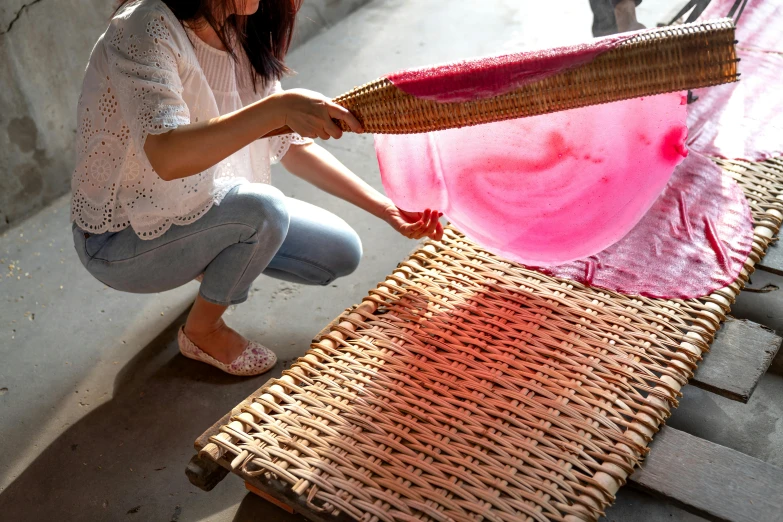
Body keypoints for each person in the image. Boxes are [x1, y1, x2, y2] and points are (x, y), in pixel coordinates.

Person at [70, 0, 443, 377]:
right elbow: (168, 156)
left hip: (202, 206)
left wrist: (385, 208)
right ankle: (203, 331)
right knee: (264, 209)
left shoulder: (237, 27)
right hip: (120, 241)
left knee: (339, 251)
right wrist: (275, 109)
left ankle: (210, 257)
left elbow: (293, 147)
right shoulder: (143, 27)